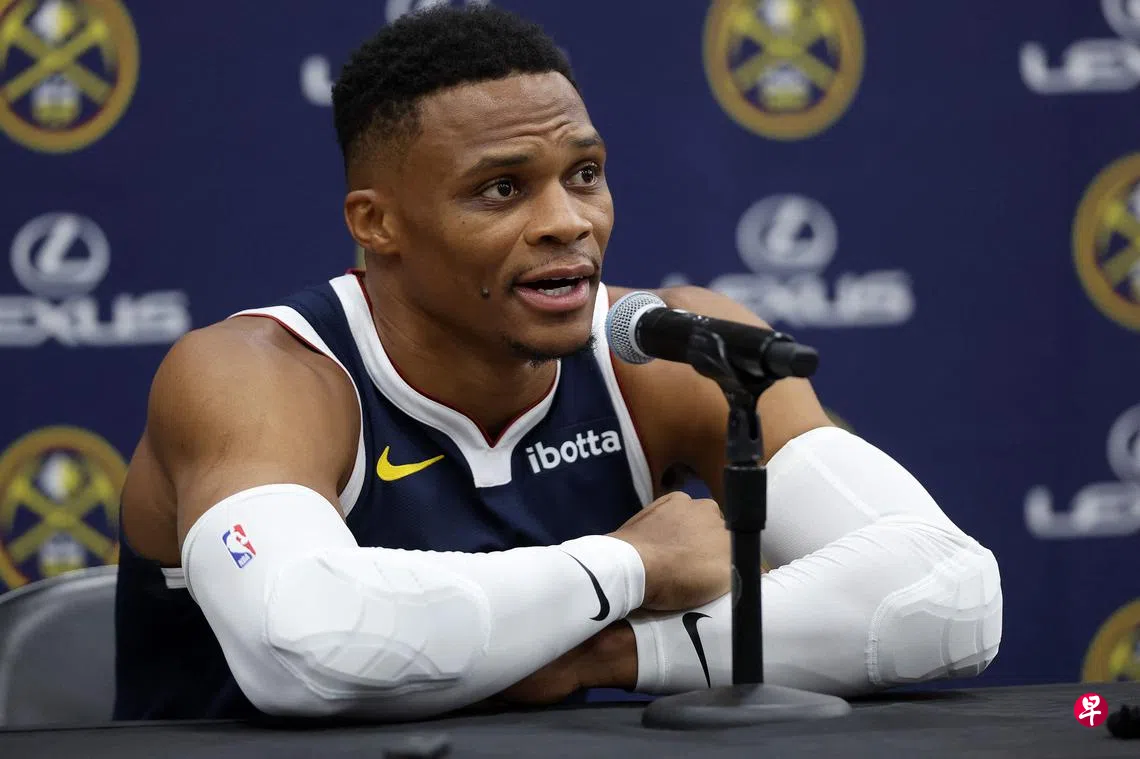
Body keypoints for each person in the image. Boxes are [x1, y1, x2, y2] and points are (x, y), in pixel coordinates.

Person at [111, 5, 1002, 722]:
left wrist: (613, 653)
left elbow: (949, 592)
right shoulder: (258, 373)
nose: (568, 222)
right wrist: (630, 567)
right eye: (502, 188)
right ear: (376, 222)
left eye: (584, 174)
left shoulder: (668, 351)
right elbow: (303, 640)